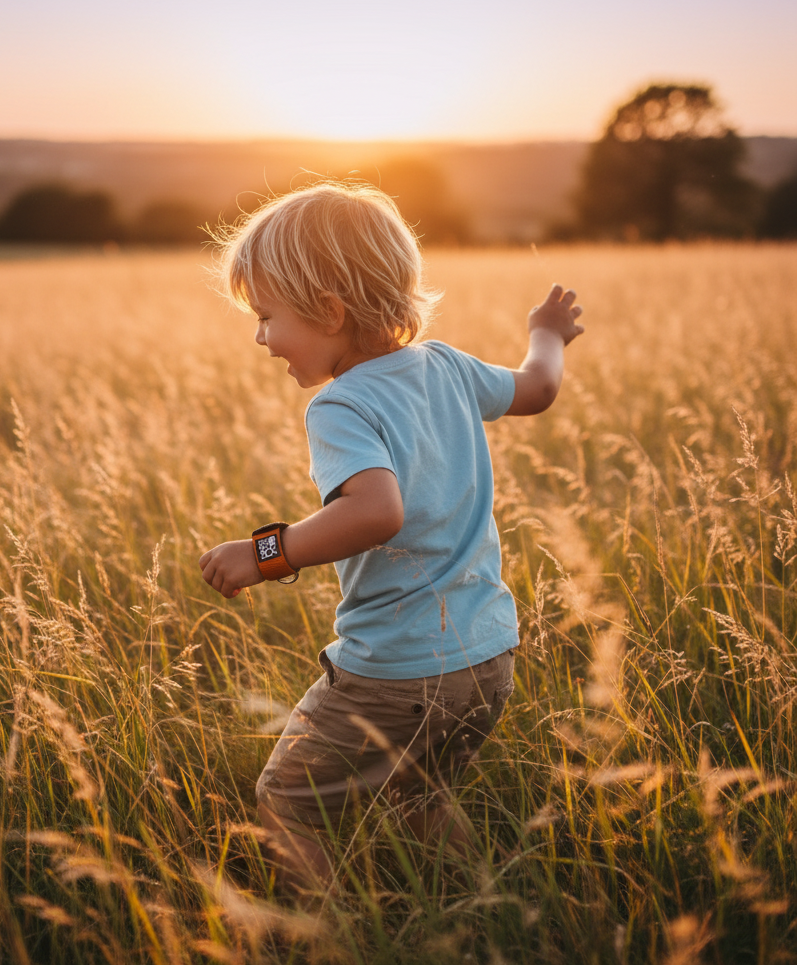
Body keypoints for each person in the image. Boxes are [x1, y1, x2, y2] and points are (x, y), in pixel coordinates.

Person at [199, 181, 583, 893]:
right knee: (420, 797)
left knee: (287, 803)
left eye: (266, 316)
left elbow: (377, 513)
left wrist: (261, 555)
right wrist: (546, 335)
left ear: (329, 311)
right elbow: (537, 389)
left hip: (397, 672)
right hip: (486, 661)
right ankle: (476, 915)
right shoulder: (447, 365)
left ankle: (325, 940)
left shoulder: (339, 404)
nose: (260, 338)